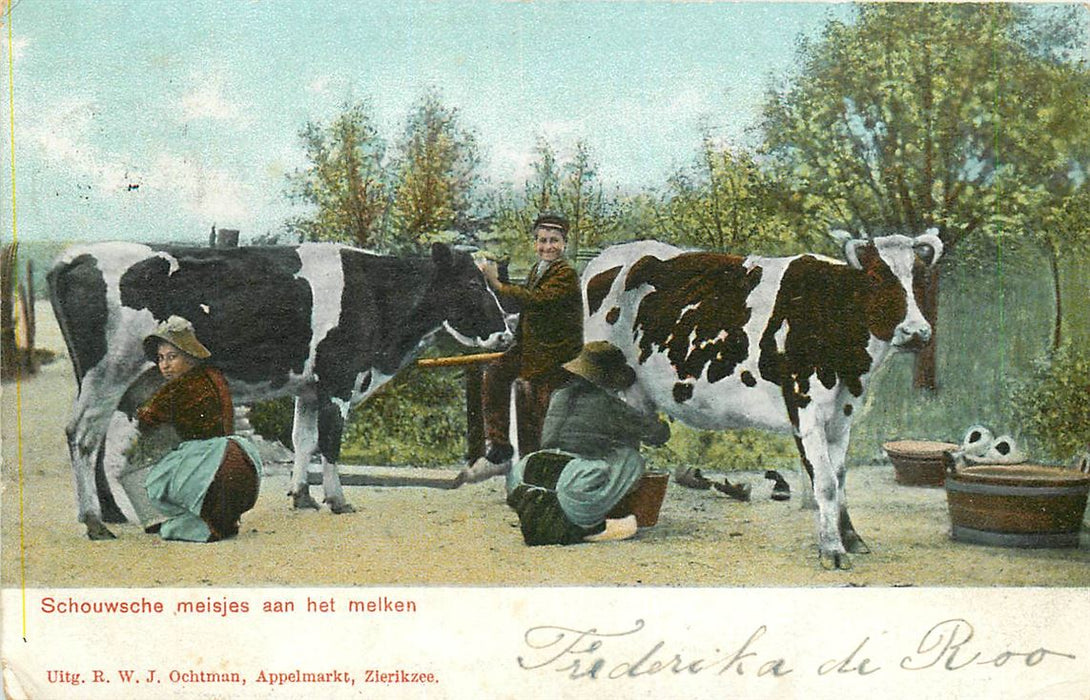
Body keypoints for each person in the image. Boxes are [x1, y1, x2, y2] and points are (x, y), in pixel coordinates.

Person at [504, 341, 671, 545]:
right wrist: (657, 422)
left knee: (568, 472)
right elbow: (658, 434)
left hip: (527, 473)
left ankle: (553, 519)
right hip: (573, 479)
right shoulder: (609, 404)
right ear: (610, 379)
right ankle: (589, 525)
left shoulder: (559, 395)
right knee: (630, 458)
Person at [459, 211, 583, 483]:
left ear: (564, 244)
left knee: (531, 399)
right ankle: (500, 448)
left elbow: (537, 300)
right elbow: (530, 305)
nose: (547, 246)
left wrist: (497, 283)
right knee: (495, 373)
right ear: (535, 242)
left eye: (554, 241)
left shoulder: (566, 273)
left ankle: (533, 467)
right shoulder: (538, 269)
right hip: (532, 346)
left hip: (555, 352)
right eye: (542, 241)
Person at [133, 315, 262, 542]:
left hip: (212, 463)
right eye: (161, 358)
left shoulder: (177, 388)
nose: (165, 365)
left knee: (155, 482)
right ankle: (222, 519)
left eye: (172, 357)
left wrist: (137, 414)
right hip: (242, 459)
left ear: (191, 357)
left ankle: (199, 525)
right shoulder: (215, 377)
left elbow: (146, 420)